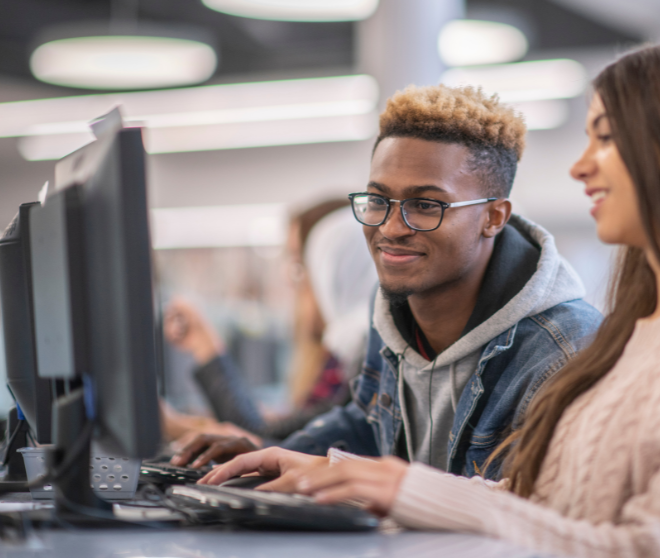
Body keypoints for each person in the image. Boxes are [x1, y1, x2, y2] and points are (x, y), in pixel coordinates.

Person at [202, 42, 660, 557]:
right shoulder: (647, 323)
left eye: (606, 137)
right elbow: (545, 502)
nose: (579, 164)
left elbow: (658, 549)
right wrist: (343, 473)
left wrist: (400, 487)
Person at [176, 84, 603, 475]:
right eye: (378, 200)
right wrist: (264, 453)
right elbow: (368, 424)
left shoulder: (564, 353)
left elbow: (535, 518)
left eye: (425, 205)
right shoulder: (393, 309)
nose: (391, 228)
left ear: (493, 217)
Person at [163, 201, 376, 446]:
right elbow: (285, 434)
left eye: (300, 265)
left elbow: (274, 440)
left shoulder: (361, 354)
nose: (293, 282)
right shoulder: (344, 352)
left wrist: (204, 345)